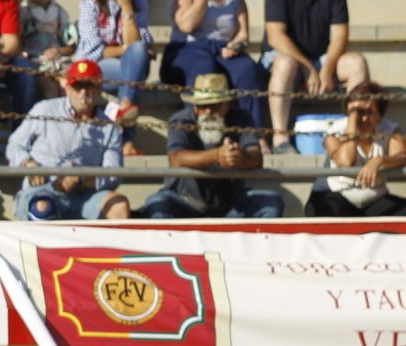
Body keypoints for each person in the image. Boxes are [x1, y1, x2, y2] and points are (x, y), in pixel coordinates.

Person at [141, 71, 281, 218]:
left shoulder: (242, 118)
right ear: (194, 107)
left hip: (230, 204)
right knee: (158, 204)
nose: (208, 111)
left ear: (227, 104)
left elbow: (256, 157)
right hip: (184, 201)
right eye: (202, 106)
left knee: (271, 203)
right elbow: (176, 159)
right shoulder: (180, 120)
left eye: (214, 106)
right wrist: (216, 156)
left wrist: (239, 157)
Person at [6, 57, 130, 221]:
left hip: (85, 196)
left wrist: (82, 178)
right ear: (68, 88)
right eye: (78, 86)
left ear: (99, 89)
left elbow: (114, 174)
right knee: (42, 206)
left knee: (119, 206)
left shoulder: (108, 126)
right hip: (43, 189)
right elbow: (14, 145)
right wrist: (29, 165)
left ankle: (104, 247)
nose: (83, 92)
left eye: (89, 86)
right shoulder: (45, 109)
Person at [264, 0, 368, 155]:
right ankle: (280, 140)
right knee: (285, 63)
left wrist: (327, 70)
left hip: (323, 59)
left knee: (357, 63)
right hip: (287, 57)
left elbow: (340, 36)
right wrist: (308, 68)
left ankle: (356, 135)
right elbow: (275, 36)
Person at [159, 1, 269, 145]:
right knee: (204, 69)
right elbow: (187, 25)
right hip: (188, 48)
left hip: (224, 49)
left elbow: (243, 35)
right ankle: (196, 140)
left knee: (249, 72)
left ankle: (255, 139)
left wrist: (234, 46)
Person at [305, 81, 406, 218]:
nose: (363, 118)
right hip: (335, 194)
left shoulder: (389, 129)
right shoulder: (335, 131)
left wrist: (379, 161)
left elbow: (402, 156)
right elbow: (346, 161)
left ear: (380, 116)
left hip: (373, 198)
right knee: (332, 212)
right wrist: (353, 121)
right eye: (358, 112)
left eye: (369, 112)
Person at [73, 0, 152, 153]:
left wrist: (127, 9)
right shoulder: (90, 3)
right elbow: (92, 51)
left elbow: (139, 44)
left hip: (130, 65)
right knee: (133, 71)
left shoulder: (139, 2)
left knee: (137, 55)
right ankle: (127, 141)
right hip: (100, 66)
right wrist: (125, 50)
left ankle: (125, 108)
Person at [11, 0, 74, 113]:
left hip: (58, 61)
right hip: (35, 61)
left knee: (66, 86)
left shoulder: (59, 11)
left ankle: (67, 124)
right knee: (50, 89)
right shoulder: (25, 10)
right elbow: (16, 40)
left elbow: (71, 46)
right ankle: (53, 123)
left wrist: (58, 51)